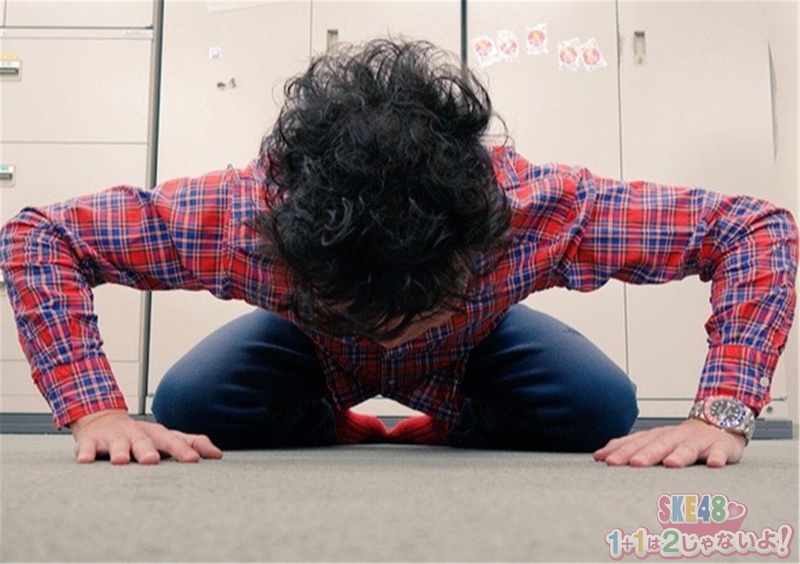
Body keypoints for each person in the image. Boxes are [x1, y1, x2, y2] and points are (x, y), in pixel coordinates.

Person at [1, 39, 796, 468]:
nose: (392, 337)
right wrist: (96, 409)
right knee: (188, 408)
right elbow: (42, 235)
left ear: (483, 240)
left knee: (601, 409)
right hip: (310, 356)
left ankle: (446, 421)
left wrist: (722, 414)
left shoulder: (541, 210)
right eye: (361, 312)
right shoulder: (239, 215)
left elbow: (754, 229)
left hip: (475, 356)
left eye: (422, 309)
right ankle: (331, 415)